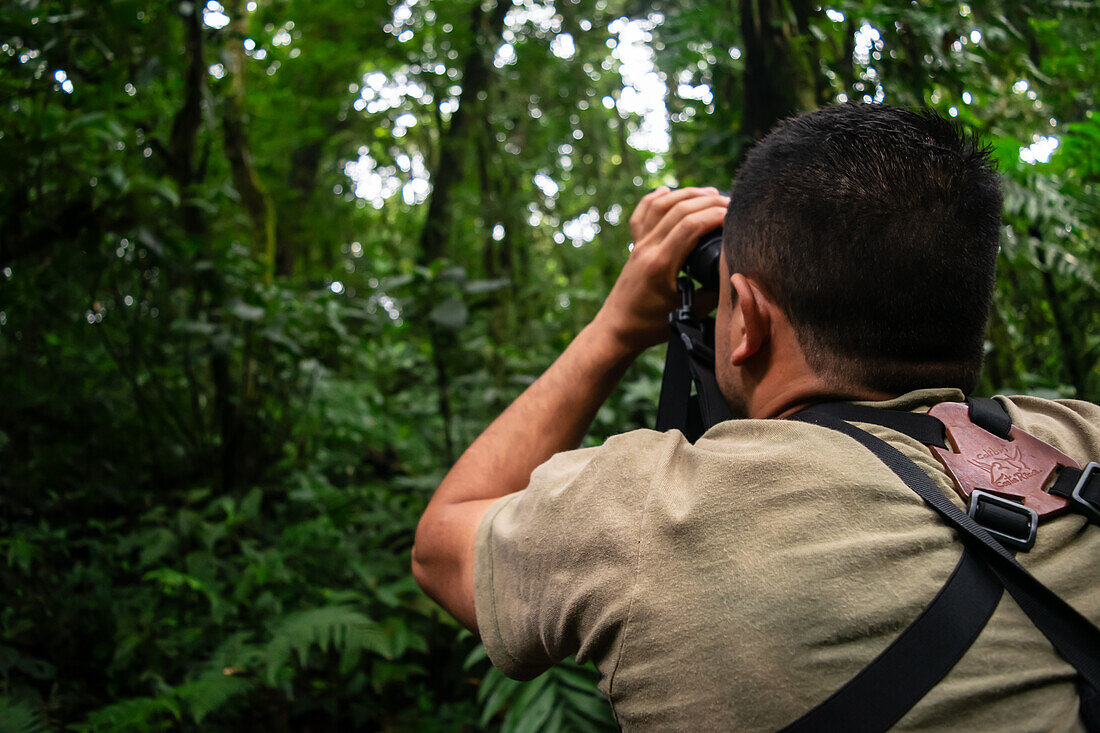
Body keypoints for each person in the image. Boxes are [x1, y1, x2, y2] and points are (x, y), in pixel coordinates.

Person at [411, 104, 1100, 730]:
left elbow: (440, 545)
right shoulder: (1083, 438)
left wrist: (616, 328)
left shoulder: (646, 513)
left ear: (747, 318)